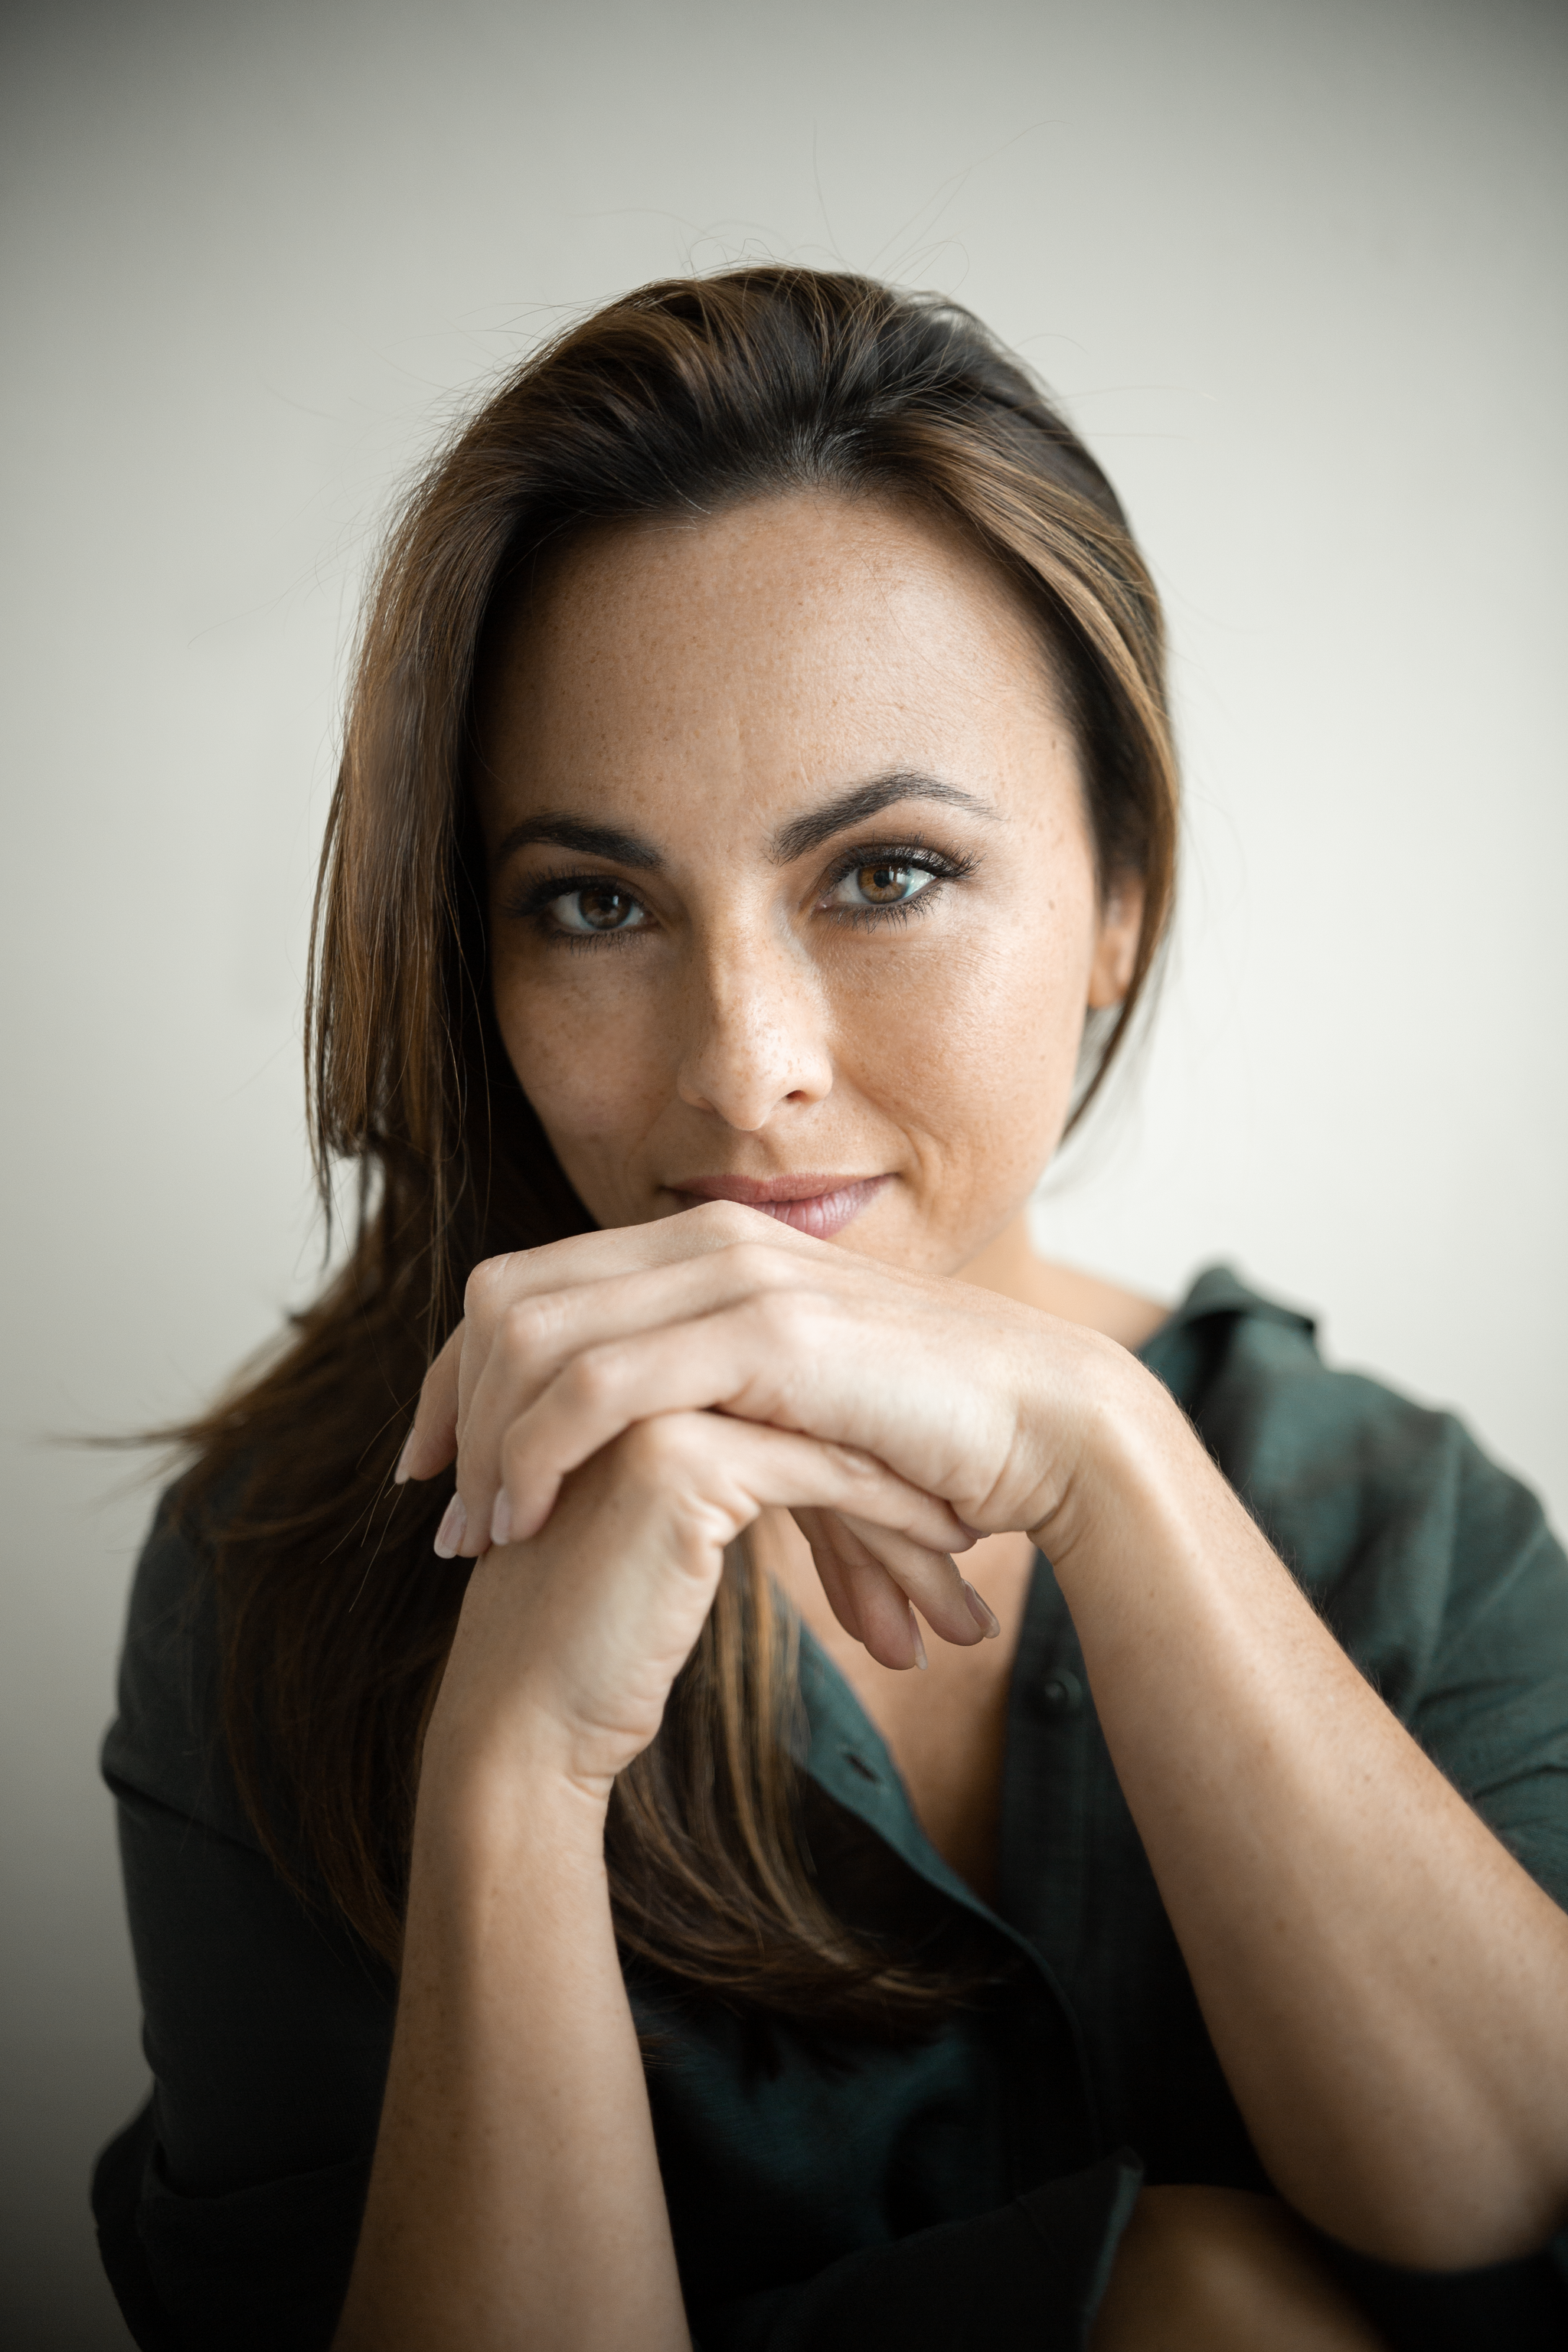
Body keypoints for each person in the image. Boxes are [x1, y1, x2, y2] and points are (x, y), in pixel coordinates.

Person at [94, 268, 1568, 2352]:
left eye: (884, 872)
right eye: (594, 905)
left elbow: (1504, 2190)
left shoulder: (1400, 1529)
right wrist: (512, 1781)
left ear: (1118, 901)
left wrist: (1112, 1461)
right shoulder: (290, 1581)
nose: (744, 1064)